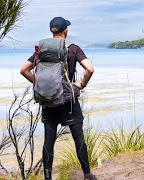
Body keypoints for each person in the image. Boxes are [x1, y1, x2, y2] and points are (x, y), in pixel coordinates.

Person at [20, 17, 96, 180]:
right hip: (68, 102)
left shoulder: (42, 50)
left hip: (49, 101)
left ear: (51, 31)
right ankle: (88, 175)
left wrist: (39, 83)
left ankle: (47, 177)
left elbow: (24, 70)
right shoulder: (73, 48)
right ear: (66, 31)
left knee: (49, 141)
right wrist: (81, 85)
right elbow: (90, 69)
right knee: (78, 138)